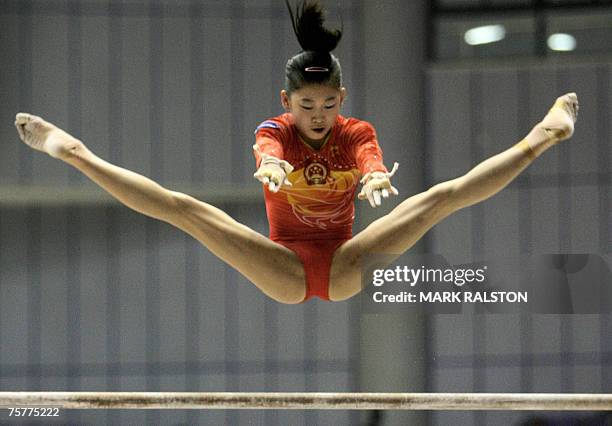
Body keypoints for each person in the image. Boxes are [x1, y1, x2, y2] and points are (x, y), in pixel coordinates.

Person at [14, 0, 578, 304]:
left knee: (439, 199)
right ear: (288, 100)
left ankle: (538, 138)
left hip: (345, 262)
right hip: (284, 266)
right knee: (184, 209)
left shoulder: (354, 131)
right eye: (307, 104)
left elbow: (370, 160)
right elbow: (265, 152)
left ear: (342, 99)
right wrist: (270, 166)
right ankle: (76, 152)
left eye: (328, 103)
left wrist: (376, 178)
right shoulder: (275, 130)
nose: (318, 115)